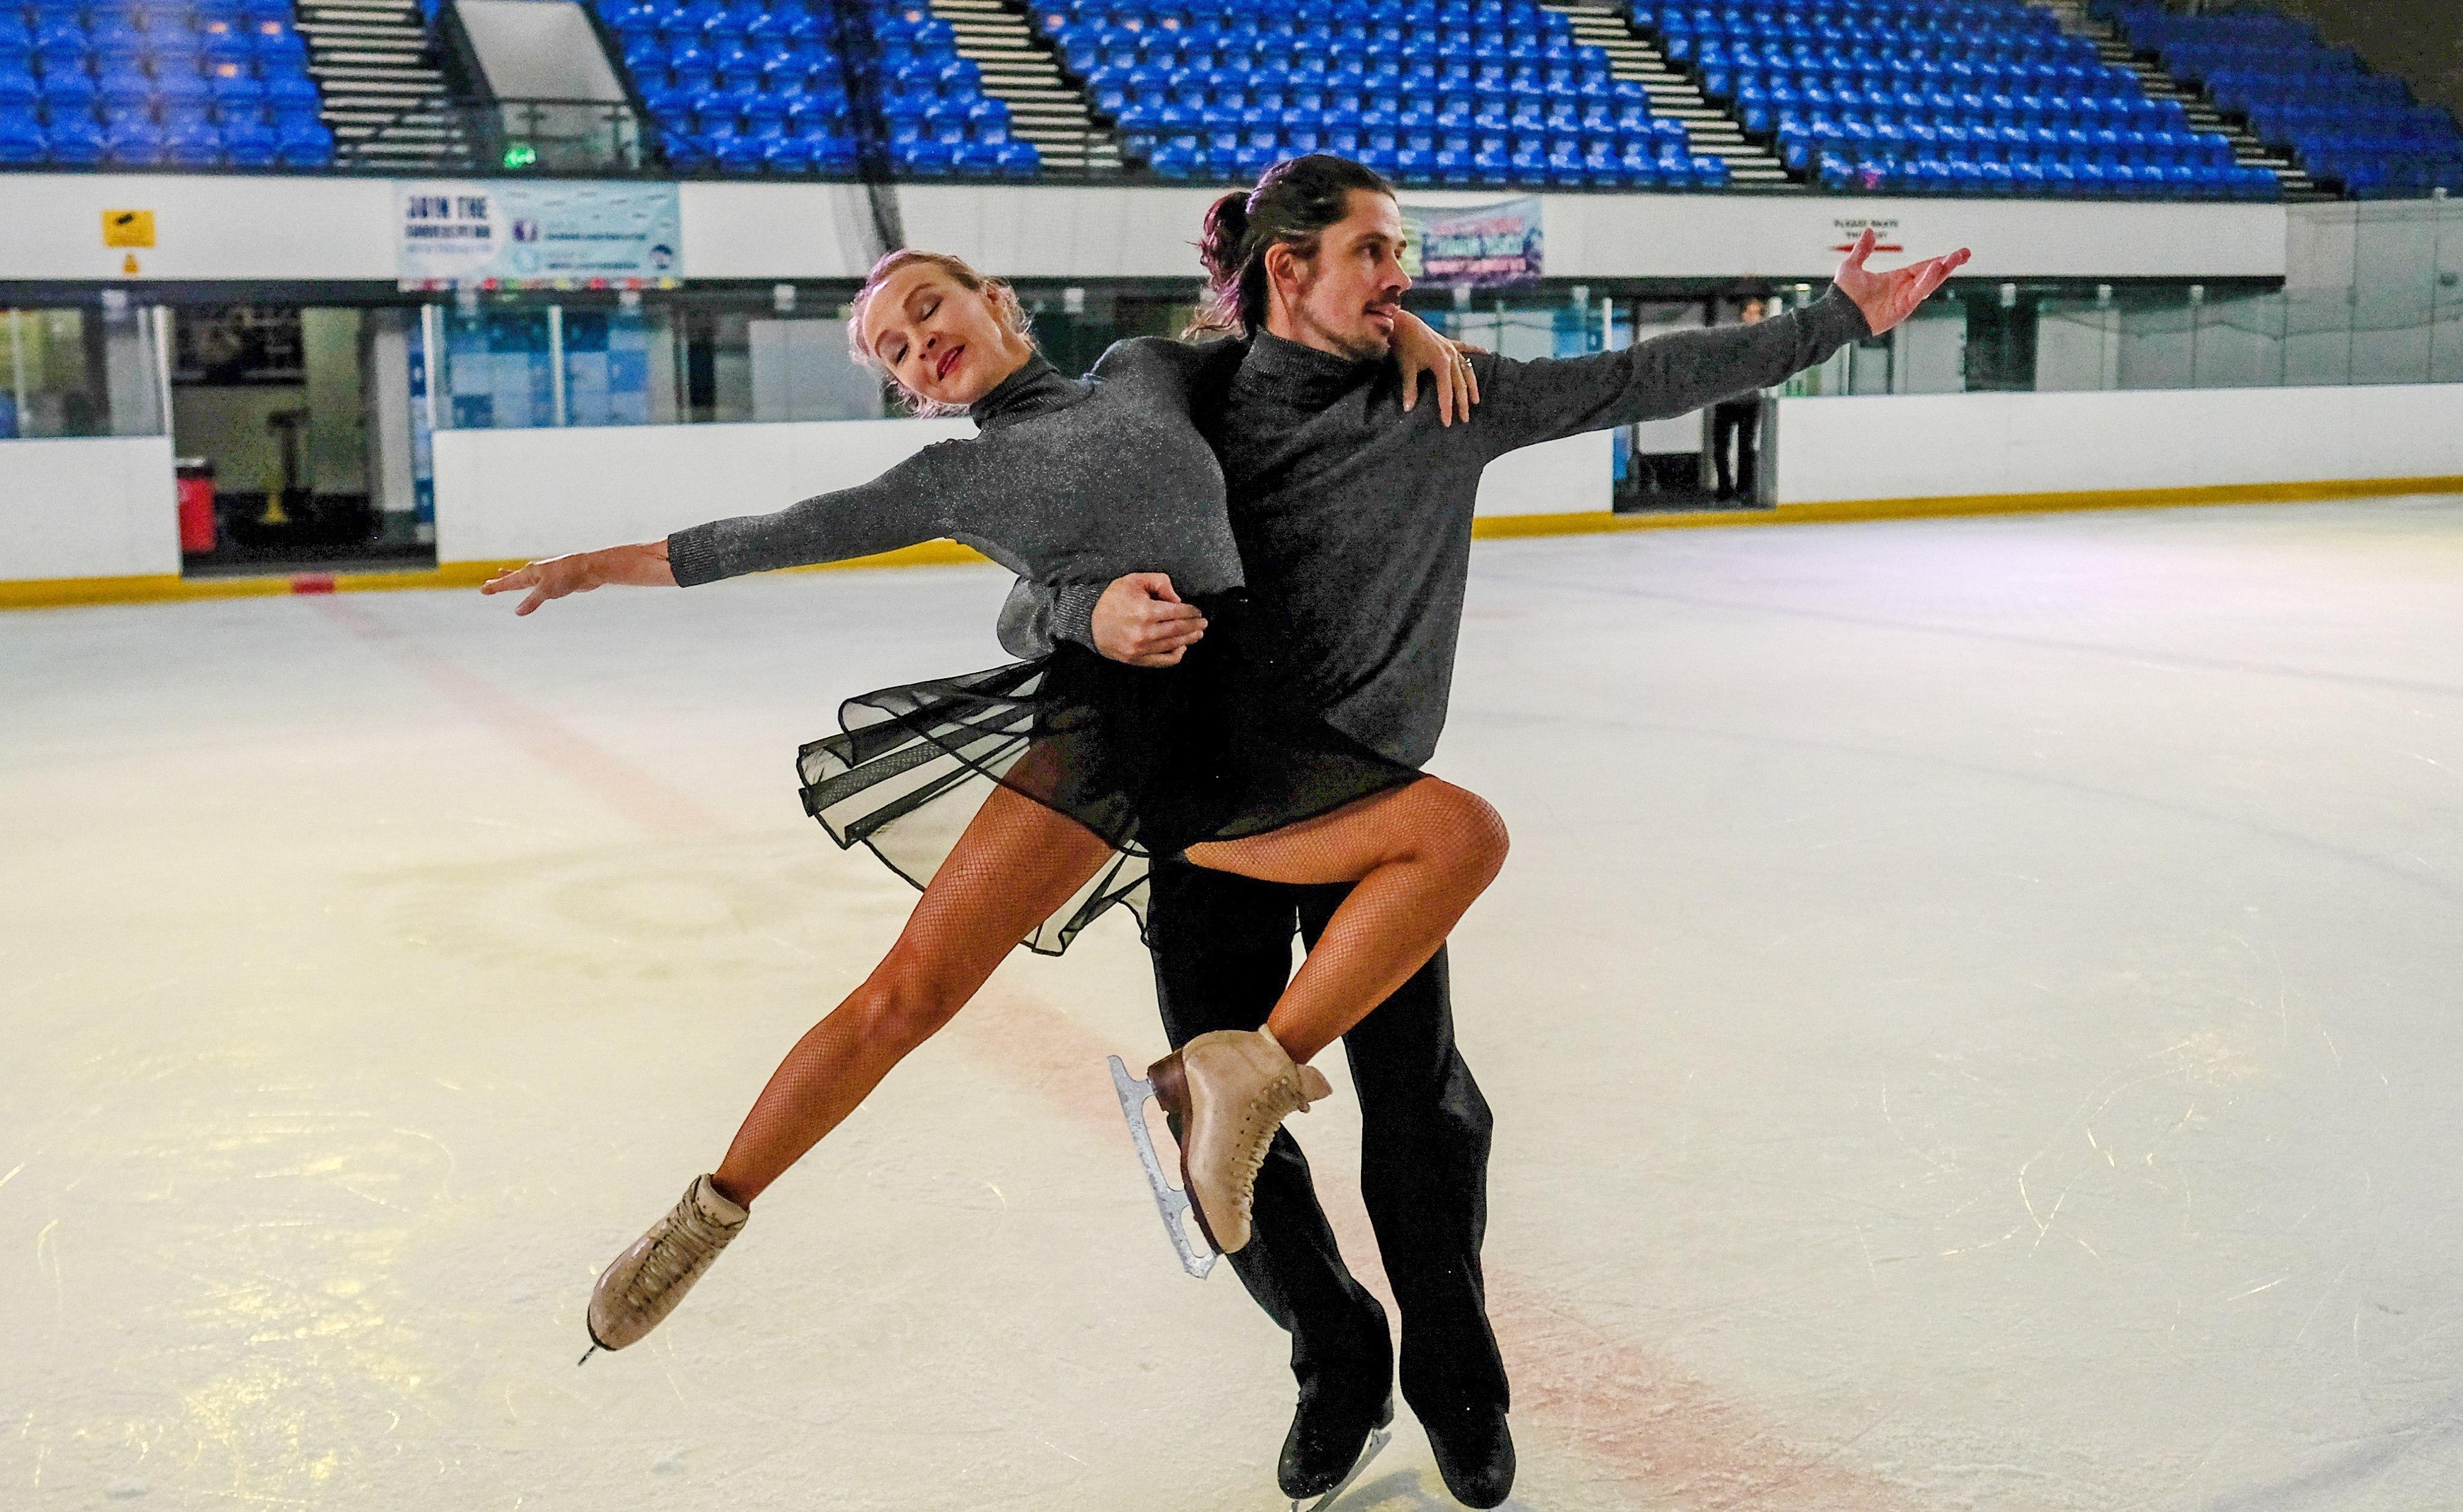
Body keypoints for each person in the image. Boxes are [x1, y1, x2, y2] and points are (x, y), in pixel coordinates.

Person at [1004, 155, 1967, 1507]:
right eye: (1378, 254)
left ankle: (1457, 1386)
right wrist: (1088, 612)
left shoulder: (1442, 394)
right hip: (1213, 820)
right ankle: (1336, 1361)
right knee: (1222, 1120)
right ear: (1289, 271)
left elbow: (1644, 380)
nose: (1408, 280)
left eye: (1404, 257)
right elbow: (1031, 592)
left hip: (1375, 817)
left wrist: (1836, 321)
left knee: (1424, 1112)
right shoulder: (1175, 405)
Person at [478, 247, 1509, 1366]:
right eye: (897, 349)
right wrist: (594, 566)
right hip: (1109, 734)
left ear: (997, 300)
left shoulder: (1145, 373)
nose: (921, 341)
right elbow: (763, 538)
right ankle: (704, 1218)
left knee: (1455, 838)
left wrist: (1407, 333)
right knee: (904, 996)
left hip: (1244, 719)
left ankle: (1245, 1077)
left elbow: (1282, 349)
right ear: (913, 388)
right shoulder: (948, 478)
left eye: (930, 309)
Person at [1710, 295, 1767, 501]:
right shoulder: (1733, 337)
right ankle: (1725, 487)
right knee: (1720, 448)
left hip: (1749, 403)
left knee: (1746, 448)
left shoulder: (1764, 341)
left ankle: (1744, 489)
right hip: (1726, 401)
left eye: (1756, 313)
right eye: (1749, 312)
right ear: (1743, 315)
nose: (1752, 316)